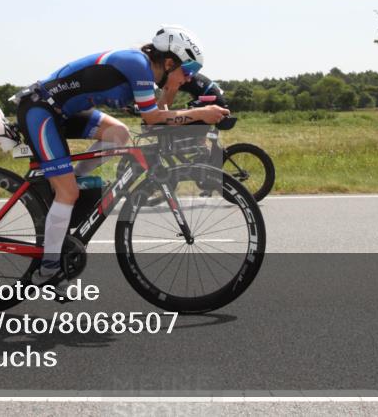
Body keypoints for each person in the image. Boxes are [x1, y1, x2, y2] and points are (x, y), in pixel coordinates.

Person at [16, 26, 229, 285]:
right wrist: (200, 113)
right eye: (187, 72)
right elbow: (152, 118)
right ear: (170, 62)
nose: (188, 80)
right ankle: (48, 271)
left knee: (118, 133)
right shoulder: (137, 65)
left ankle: (68, 181)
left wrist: (171, 92)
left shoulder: (146, 76)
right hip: (41, 110)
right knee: (68, 193)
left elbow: (156, 120)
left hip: (64, 112)